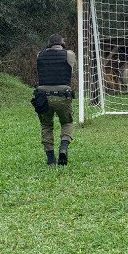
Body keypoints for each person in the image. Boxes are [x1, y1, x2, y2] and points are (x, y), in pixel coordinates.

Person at [35, 33, 77, 166]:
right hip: (63, 96)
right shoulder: (69, 54)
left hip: (42, 97)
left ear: (49, 43)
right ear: (62, 43)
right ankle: (63, 147)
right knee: (67, 123)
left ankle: (51, 159)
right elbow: (71, 67)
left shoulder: (39, 55)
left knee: (46, 126)